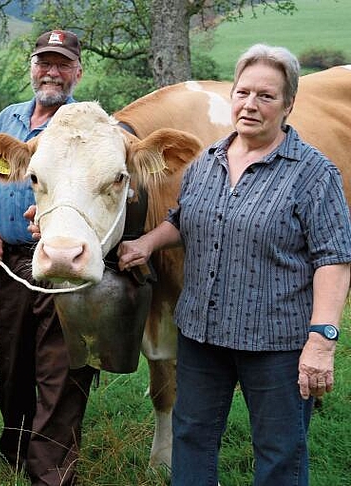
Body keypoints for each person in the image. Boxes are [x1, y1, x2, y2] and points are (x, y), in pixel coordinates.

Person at [117, 44, 351, 485]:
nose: (250, 104)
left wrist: (321, 339)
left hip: (276, 340)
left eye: (266, 96)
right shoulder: (206, 161)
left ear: (289, 105)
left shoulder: (313, 172)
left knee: (280, 449)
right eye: (243, 92)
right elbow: (186, 220)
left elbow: (334, 258)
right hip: (203, 335)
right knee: (192, 439)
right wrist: (148, 242)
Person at [0, 30, 96, 486]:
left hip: (62, 260)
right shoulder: (8, 118)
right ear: (31, 67)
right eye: (44, 62)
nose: (52, 71)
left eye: (62, 63)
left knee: (59, 368)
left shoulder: (82, 125)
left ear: (78, 72)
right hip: (10, 261)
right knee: (11, 362)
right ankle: (18, 449)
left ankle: (52, 471)